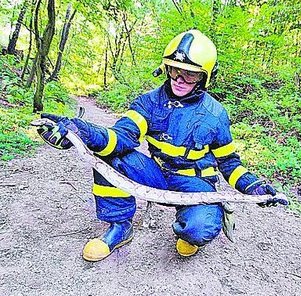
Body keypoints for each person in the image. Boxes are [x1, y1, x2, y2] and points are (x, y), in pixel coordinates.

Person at [37, 29, 287, 261]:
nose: (179, 79)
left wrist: (254, 188)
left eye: (190, 74)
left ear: (205, 77)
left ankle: (190, 228)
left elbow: (230, 164)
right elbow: (121, 136)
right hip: (157, 175)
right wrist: (80, 132)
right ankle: (119, 227)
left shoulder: (215, 114)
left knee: (198, 229)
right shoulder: (149, 103)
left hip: (196, 185)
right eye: (174, 70)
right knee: (110, 157)